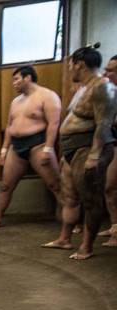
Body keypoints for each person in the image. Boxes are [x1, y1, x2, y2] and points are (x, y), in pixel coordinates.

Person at [43, 44, 117, 259]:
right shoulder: (84, 87)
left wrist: (94, 156)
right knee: (69, 196)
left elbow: (104, 123)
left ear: (79, 65)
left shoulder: (103, 87)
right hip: (73, 147)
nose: (70, 70)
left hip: (89, 148)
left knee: (91, 199)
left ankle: (86, 246)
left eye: (71, 66)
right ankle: (64, 239)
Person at [0, 66, 62, 230]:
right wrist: (4, 149)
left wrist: (48, 149)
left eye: (16, 79)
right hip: (16, 147)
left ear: (27, 78)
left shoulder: (48, 96)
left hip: (38, 145)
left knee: (56, 185)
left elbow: (53, 124)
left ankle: (72, 221)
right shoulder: (16, 101)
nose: (14, 83)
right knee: (5, 187)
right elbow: (10, 127)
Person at [96, 54, 117, 245]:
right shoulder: (111, 92)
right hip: (112, 143)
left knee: (111, 186)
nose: (105, 73)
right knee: (109, 187)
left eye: (110, 70)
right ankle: (114, 226)